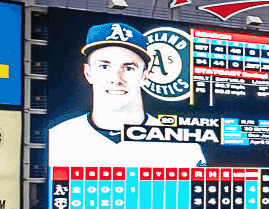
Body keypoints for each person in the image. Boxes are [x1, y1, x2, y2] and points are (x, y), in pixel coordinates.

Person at [47, 23, 205, 169]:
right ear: (88, 73)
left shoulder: (183, 146)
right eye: (104, 66)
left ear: (144, 76)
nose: (116, 78)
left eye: (129, 68)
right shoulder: (56, 140)